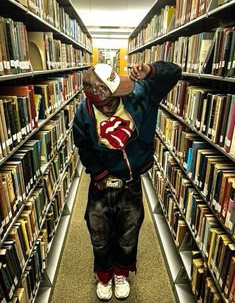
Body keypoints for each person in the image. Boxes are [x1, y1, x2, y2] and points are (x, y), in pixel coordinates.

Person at [72, 60, 181, 301]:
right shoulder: (83, 114)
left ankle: (121, 272)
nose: (112, 106)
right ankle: (104, 275)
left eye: (115, 98)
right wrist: (98, 172)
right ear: (92, 101)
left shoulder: (139, 94)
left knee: (129, 232)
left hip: (131, 181)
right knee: (99, 234)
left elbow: (174, 74)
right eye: (105, 104)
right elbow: (82, 144)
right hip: (101, 184)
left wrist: (152, 71)